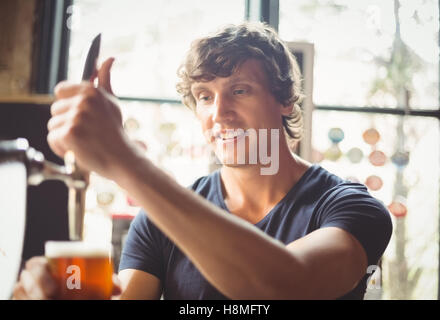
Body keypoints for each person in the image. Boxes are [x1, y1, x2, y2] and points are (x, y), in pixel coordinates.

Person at [13, 22, 392, 300]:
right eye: (204, 96)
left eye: (239, 91)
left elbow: (284, 284)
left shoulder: (351, 208)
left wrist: (124, 161)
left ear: (286, 100)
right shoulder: (160, 220)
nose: (219, 112)